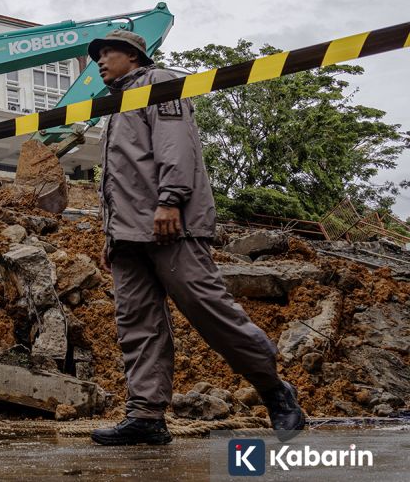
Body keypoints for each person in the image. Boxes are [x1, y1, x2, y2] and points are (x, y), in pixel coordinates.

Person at [87, 29, 305, 446]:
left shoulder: (158, 84)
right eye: (97, 55)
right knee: (137, 323)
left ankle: (273, 388)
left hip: (168, 225)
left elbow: (175, 146)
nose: (99, 60)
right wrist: (110, 234)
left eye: (108, 52)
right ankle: (146, 416)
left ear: (133, 56)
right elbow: (119, 178)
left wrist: (170, 200)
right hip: (128, 235)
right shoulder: (116, 106)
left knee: (208, 309)